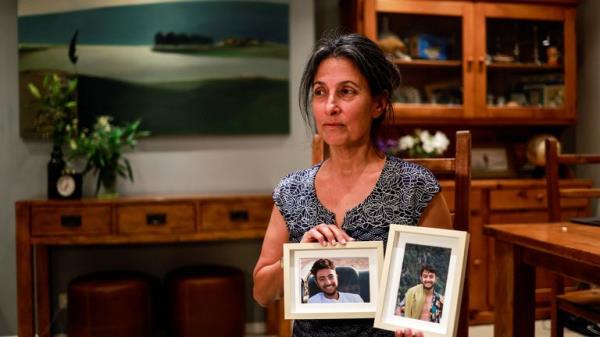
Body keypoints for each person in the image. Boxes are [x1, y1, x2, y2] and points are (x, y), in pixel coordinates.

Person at [252, 31, 452, 337]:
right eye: (320, 92)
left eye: (346, 92)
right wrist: (295, 258)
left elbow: (442, 297)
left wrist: (420, 329)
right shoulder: (292, 191)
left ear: (378, 104)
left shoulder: (415, 188)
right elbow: (262, 293)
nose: (330, 106)